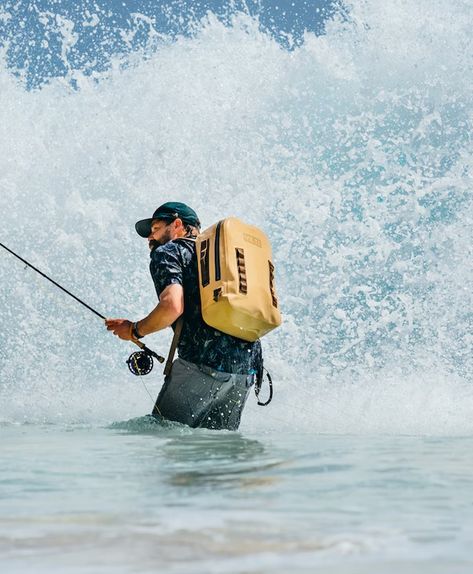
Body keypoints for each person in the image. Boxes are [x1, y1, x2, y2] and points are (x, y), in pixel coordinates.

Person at [105, 202, 263, 430]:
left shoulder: (169, 251)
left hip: (200, 366)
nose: (150, 237)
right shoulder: (220, 257)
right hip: (244, 370)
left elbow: (172, 306)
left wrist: (134, 330)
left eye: (156, 228)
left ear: (177, 224)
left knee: (161, 436)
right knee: (219, 454)